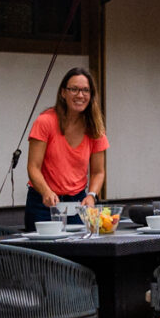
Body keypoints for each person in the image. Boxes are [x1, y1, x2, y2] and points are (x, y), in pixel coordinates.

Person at [25, 68, 108, 229]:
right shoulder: (45, 121)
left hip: (77, 203)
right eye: (74, 89)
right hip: (43, 202)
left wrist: (91, 196)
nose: (80, 95)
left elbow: (98, 171)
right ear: (63, 93)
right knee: (41, 252)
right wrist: (45, 192)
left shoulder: (95, 127)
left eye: (85, 90)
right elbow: (33, 167)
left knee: (76, 250)